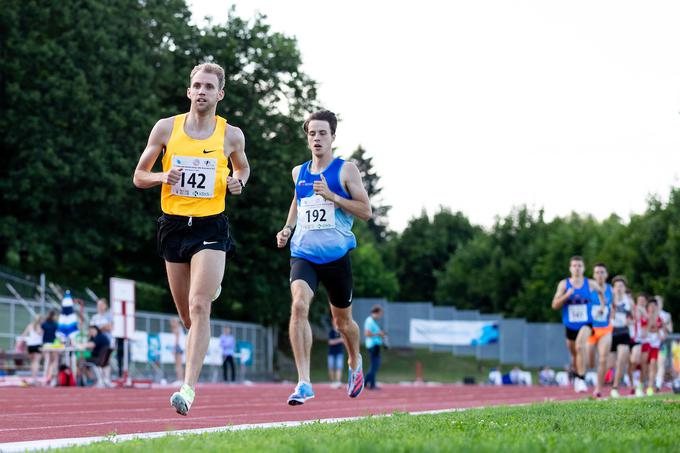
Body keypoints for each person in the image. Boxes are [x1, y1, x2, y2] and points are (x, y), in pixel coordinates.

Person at [133, 62, 249, 415]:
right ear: (188, 91)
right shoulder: (166, 128)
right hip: (173, 227)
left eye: (208, 87)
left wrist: (239, 181)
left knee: (200, 306)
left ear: (220, 94)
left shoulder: (231, 135)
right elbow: (139, 175)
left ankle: (187, 389)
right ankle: (208, 289)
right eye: (196, 85)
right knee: (187, 317)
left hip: (210, 227)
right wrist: (163, 177)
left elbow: (242, 167)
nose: (201, 91)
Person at [275, 109, 372, 405]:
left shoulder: (346, 171)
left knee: (343, 323)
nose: (317, 138)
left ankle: (355, 362)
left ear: (332, 137)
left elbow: (366, 212)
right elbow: (297, 201)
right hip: (303, 254)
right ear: (307, 138)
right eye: (312, 133)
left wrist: (334, 197)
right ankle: (304, 381)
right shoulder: (298, 172)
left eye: (322, 133)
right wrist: (288, 228)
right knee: (299, 305)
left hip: (336, 257)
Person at [551, 256, 606, 393]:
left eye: (579, 265)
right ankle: (577, 376)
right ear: (570, 268)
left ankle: (581, 378)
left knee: (580, 345)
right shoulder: (564, 285)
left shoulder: (590, 283)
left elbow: (601, 292)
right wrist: (566, 295)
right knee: (575, 354)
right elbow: (554, 305)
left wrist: (602, 307)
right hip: (570, 325)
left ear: (583, 268)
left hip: (586, 323)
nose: (577, 268)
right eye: (574, 265)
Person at [586, 263, 613, 398]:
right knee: (590, 361)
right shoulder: (588, 288)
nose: (599, 275)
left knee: (603, 359)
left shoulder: (611, 290)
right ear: (593, 275)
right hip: (590, 329)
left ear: (606, 275)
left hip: (605, 329)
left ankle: (598, 388)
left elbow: (615, 306)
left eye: (602, 272)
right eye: (597, 272)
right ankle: (589, 374)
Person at [609, 276, 634, 398]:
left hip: (624, 331)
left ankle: (615, 387)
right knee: (610, 363)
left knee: (621, 361)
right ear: (613, 288)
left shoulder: (628, 301)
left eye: (621, 286)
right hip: (611, 332)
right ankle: (609, 381)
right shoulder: (608, 299)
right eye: (617, 286)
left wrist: (631, 319)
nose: (619, 288)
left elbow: (634, 317)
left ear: (625, 288)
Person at [642, 299, 665, 395]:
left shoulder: (660, 319)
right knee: (644, 366)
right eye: (650, 306)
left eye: (654, 306)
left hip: (655, 345)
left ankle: (650, 387)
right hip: (646, 344)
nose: (652, 308)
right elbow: (644, 333)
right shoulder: (644, 318)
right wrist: (650, 323)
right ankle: (642, 383)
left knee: (653, 365)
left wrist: (656, 325)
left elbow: (661, 335)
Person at [89, 298, 114, 381]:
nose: (99, 307)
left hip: (107, 342)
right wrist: (101, 328)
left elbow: (109, 327)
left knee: (106, 361)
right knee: (98, 360)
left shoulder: (109, 316)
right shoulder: (95, 317)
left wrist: (99, 329)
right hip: (97, 343)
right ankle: (100, 379)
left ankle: (107, 379)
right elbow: (92, 329)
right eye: (98, 305)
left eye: (101, 305)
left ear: (105, 306)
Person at [630, 293, 649, 396]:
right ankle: (634, 382)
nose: (641, 302)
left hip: (645, 341)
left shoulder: (647, 313)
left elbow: (649, 324)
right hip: (634, 340)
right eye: (639, 300)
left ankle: (639, 386)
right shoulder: (634, 310)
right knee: (633, 361)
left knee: (643, 364)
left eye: (643, 300)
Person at [364, 305, 385, 390]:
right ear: (375, 312)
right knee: (374, 365)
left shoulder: (373, 321)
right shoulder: (369, 321)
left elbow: (375, 332)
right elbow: (367, 334)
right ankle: (370, 384)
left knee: (376, 365)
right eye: (380, 313)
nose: (380, 316)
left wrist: (381, 335)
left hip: (376, 345)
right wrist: (378, 334)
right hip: (372, 345)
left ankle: (366, 383)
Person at [21, 315, 43, 385]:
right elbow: (41, 335)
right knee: (36, 362)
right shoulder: (41, 327)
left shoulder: (30, 326)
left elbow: (24, 334)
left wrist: (21, 342)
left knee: (32, 362)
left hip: (30, 345)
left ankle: (33, 377)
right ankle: (35, 378)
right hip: (37, 345)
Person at [41, 310, 59, 385]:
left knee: (47, 361)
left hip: (46, 344)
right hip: (53, 344)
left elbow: (40, 333)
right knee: (54, 361)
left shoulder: (44, 324)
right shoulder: (56, 324)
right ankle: (52, 377)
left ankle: (45, 377)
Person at [327, 319, 345, 388]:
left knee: (339, 367)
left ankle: (338, 381)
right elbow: (330, 342)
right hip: (331, 353)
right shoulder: (331, 332)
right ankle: (332, 382)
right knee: (331, 367)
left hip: (340, 352)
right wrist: (340, 340)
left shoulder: (341, 332)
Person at [169, 318, 185, 386]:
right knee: (179, 365)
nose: (171, 324)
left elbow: (177, 339)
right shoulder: (179, 328)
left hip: (178, 347)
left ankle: (180, 380)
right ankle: (181, 380)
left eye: (172, 322)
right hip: (179, 347)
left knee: (178, 365)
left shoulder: (177, 329)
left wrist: (174, 349)